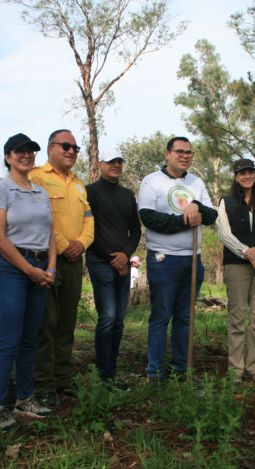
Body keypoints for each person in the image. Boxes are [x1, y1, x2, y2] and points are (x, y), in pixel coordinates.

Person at [0, 133, 57, 432]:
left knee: (30, 339)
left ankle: (25, 398)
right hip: (12, 270)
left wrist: (50, 267)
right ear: (8, 157)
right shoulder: (0, 190)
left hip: (41, 269)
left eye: (30, 152)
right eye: (19, 152)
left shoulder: (40, 192)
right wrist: (29, 269)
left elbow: (51, 233)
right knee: (9, 341)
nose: (26, 156)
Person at [137, 136, 217, 380]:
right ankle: (155, 372)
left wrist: (196, 205)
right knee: (162, 315)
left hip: (193, 260)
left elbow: (211, 215)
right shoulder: (152, 182)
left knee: (185, 316)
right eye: (180, 152)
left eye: (189, 153)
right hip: (164, 260)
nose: (185, 156)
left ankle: (181, 368)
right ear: (167, 154)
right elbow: (149, 218)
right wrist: (186, 219)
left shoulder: (197, 183)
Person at [29, 129, 94, 408]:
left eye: (75, 148)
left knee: (67, 324)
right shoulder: (36, 177)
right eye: (65, 146)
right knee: (46, 324)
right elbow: (38, 218)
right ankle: (43, 385)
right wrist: (63, 243)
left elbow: (89, 220)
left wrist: (81, 243)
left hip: (74, 261)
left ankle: (62, 380)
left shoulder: (79, 184)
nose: (71, 151)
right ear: (50, 148)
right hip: (47, 260)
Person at [215, 159, 255, 384]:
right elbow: (224, 232)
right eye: (242, 173)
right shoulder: (227, 202)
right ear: (235, 176)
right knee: (238, 318)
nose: (247, 176)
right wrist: (247, 253)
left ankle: (254, 367)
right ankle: (236, 370)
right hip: (237, 265)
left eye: (250, 172)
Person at [85, 147, 141, 386]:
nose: (116, 165)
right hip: (100, 261)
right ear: (100, 164)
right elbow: (90, 231)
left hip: (123, 263)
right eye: (111, 162)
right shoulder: (89, 192)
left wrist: (125, 255)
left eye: (119, 162)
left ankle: (112, 370)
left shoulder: (127, 195)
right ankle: (103, 372)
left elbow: (135, 230)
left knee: (118, 319)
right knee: (107, 316)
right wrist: (113, 258)